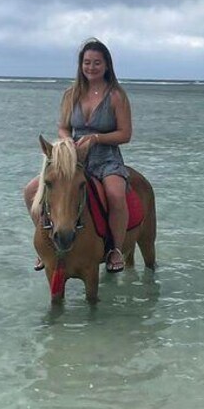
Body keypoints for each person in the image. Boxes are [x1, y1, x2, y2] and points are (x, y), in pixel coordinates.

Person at [24, 38, 133, 273]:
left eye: (97, 63)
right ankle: (45, 244)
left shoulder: (116, 96)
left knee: (115, 195)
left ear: (106, 66)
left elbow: (125, 134)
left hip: (106, 159)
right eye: (87, 62)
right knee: (31, 191)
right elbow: (63, 126)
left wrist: (96, 138)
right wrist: (67, 141)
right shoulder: (70, 94)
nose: (91, 67)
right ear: (80, 65)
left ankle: (115, 249)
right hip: (73, 159)